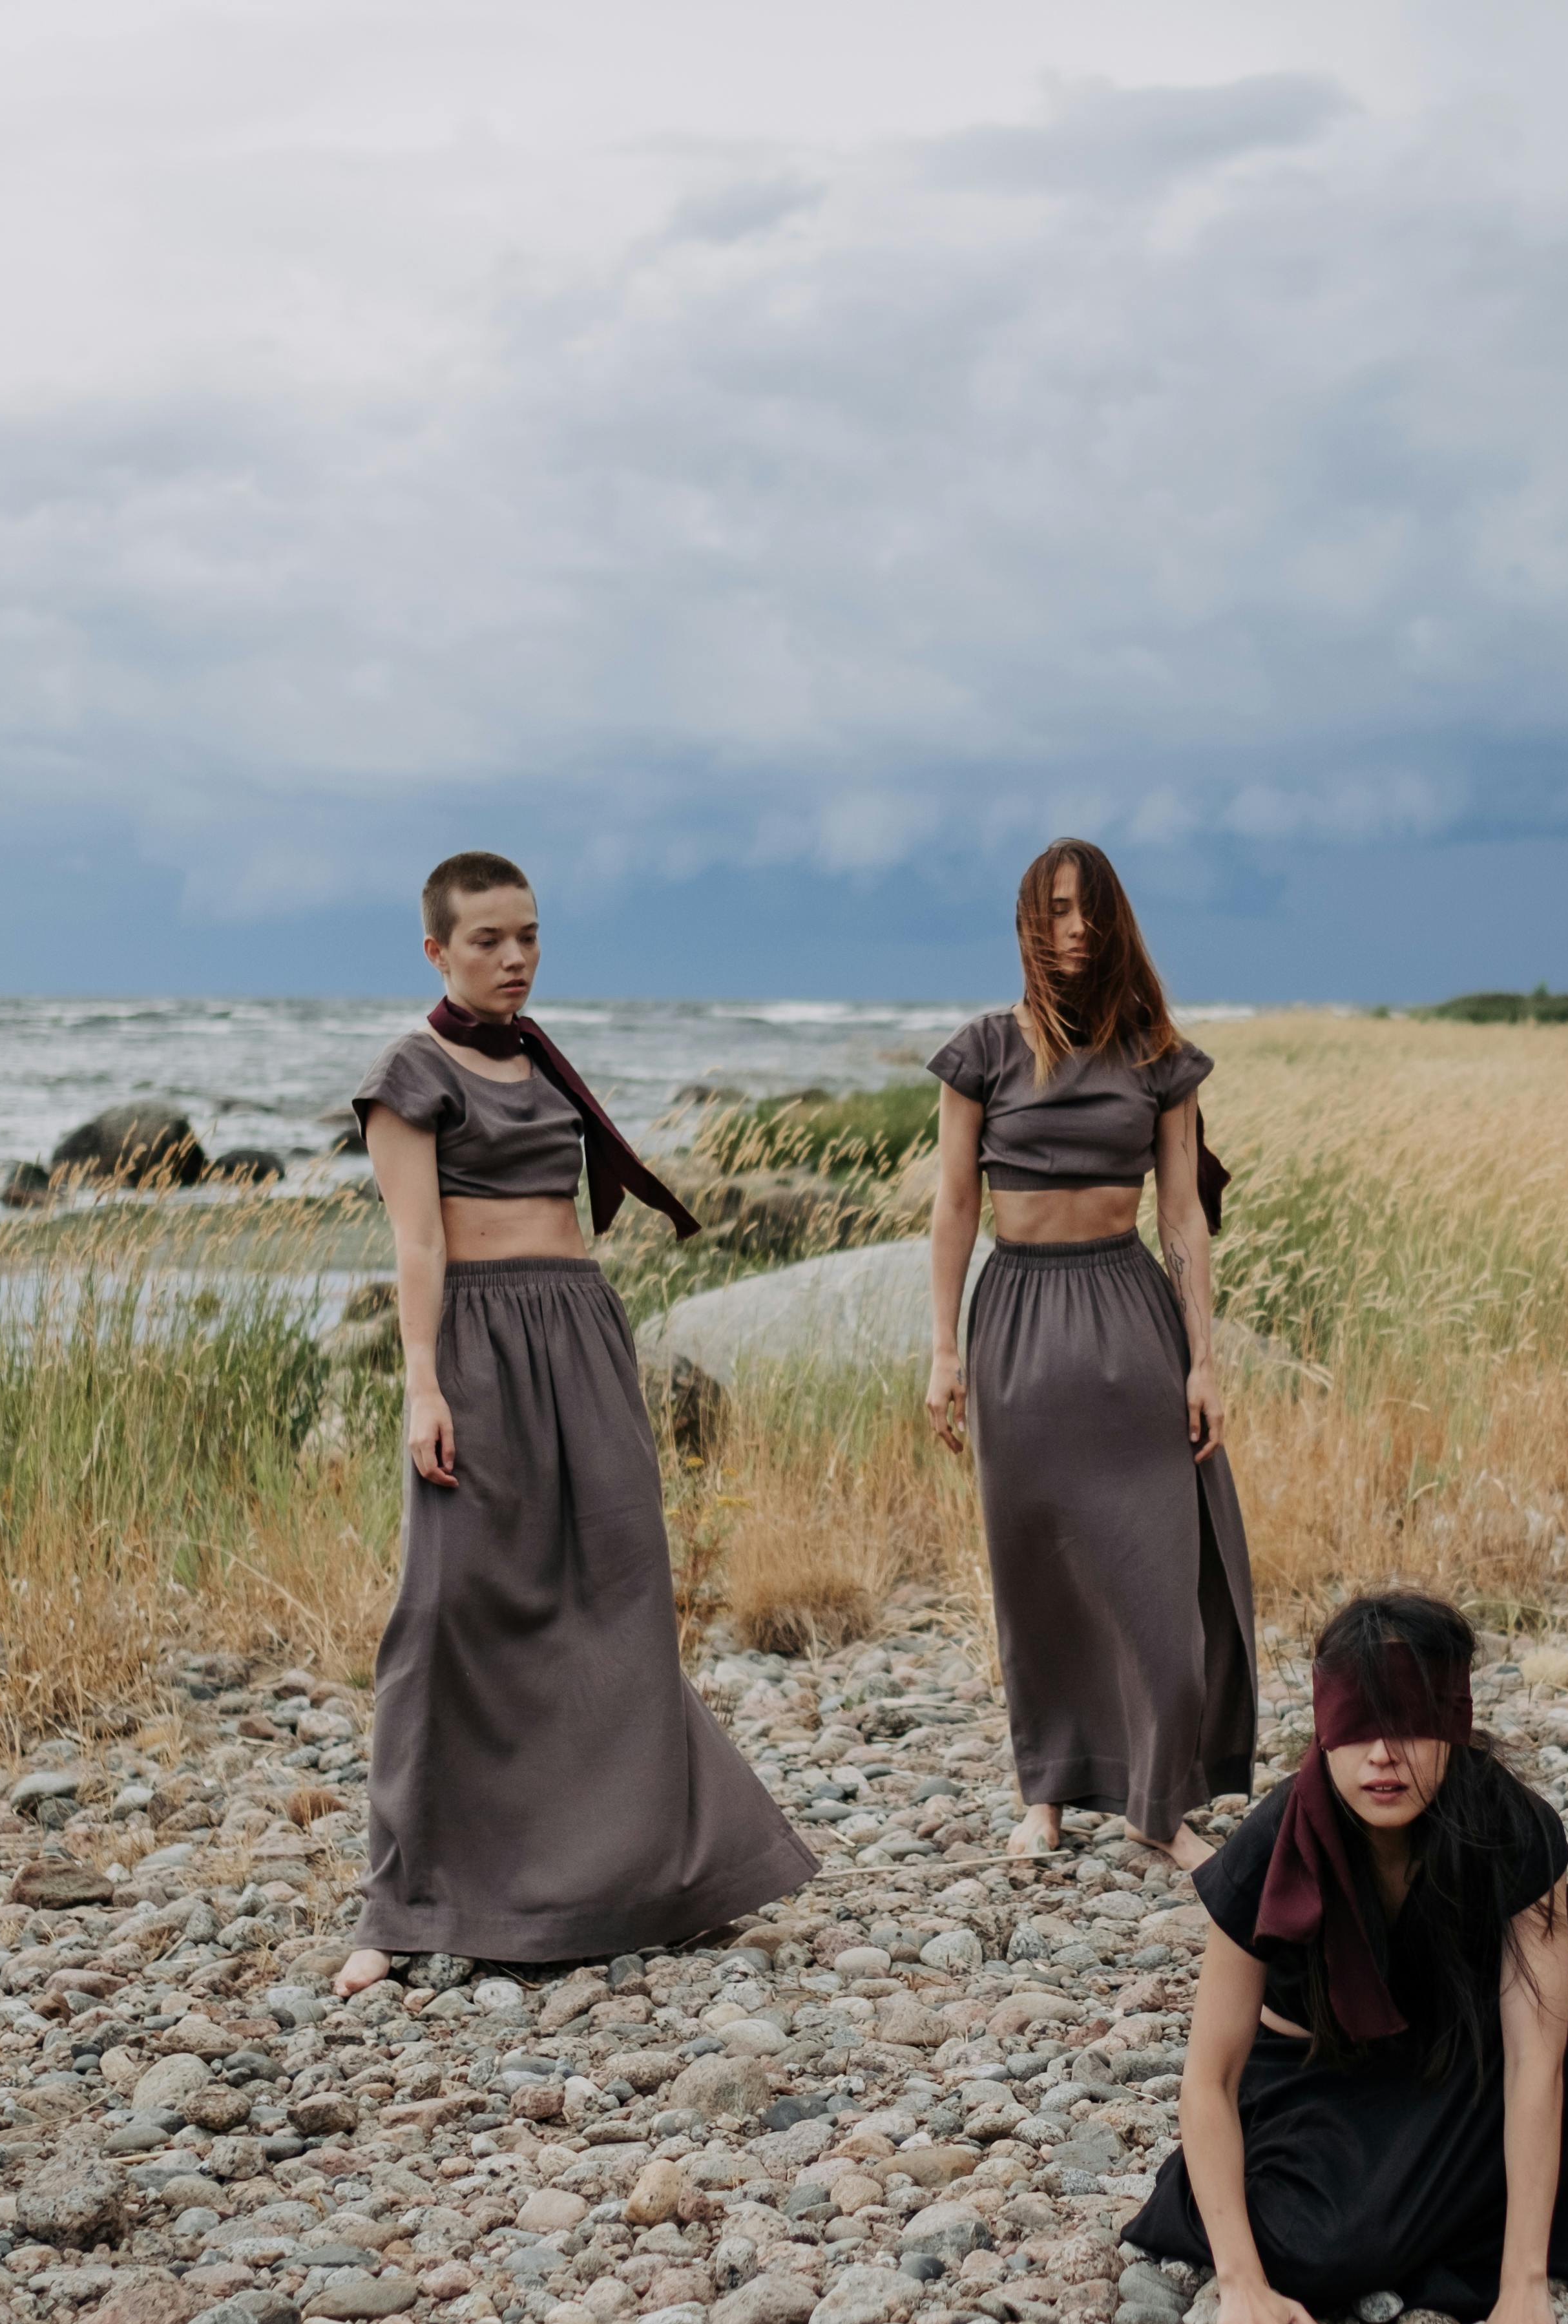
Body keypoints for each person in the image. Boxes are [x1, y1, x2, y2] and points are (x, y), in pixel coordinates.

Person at [339, 852, 815, 1994]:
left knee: (618, 1599)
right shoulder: (408, 1072)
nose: (514, 958)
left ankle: (643, 1876)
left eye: (529, 937)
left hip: (583, 1339)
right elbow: (415, 1243)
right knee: (448, 1609)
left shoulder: (543, 1061)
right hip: (479, 1346)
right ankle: (399, 1906)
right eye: (489, 940)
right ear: (436, 951)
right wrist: (423, 1383)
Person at [1129, 1590, 1568, 2324]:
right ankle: (1233, 2198)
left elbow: (1536, 2060)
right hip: (1316, 2086)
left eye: (1409, 1723)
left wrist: (1523, 2288)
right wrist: (1240, 2284)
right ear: (1324, 1732)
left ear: (1453, 1723)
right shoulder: (1269, 1846)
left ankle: (1505, 2236)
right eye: (1358, 1727)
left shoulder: (1507, 1825)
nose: (1383, 1755)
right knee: (1327, 2253)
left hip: (1453, 2060)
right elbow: (1210, 2077)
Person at [924, 838, 1256, 1872]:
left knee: (1157, 1574)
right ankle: (1048, 1795)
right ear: (1029, 922)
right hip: (1015, 1317)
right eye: (1058, 912)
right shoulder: (980, 1050)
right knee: (1036, 1574)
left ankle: (1160, 1806)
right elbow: (953, 1204)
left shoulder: (1157, 1052)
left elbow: (1184, 1216)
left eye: (1091, 912)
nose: (1076, 931)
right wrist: (942, 1350)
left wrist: (1203, 1357)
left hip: (1126, 1315)